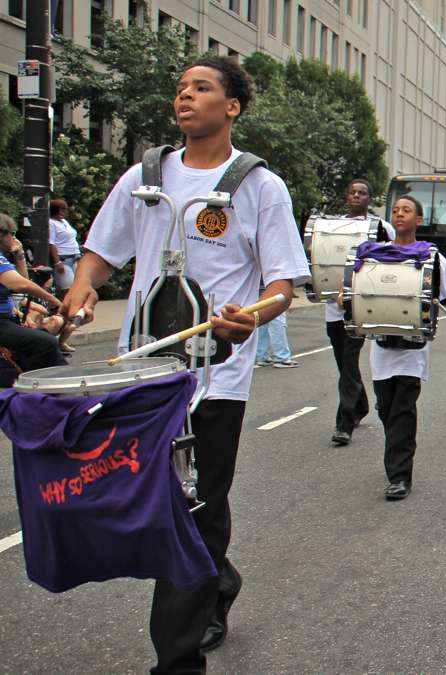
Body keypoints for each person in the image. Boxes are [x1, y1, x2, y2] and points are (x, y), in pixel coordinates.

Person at [61, 55, 309, 672]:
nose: (185, 97)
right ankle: (216, 582)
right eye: (180, 89)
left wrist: (251, 315)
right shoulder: (145, 176)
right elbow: (101, 251)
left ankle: (176, 658)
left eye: (201, 88)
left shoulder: (258, 185)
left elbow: (283, 284)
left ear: (232, 107)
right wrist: (83, 285)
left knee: (197, 505)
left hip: (215, 376)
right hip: (144, 371)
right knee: (161, 501)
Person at [368, 195, 446, 501]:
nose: (399, 215)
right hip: (382, 349)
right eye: (395, 211)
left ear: (418, 220)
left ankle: (399, 477)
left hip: (413, 350)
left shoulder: (430, 257)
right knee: (386, 409)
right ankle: (397, 456)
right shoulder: (376, 255)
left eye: (406, 210)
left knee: (402, 412)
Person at [326, 179, 392, 446]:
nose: (356, 195)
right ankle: (361, 404)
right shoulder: (333, 227)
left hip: (360, 307)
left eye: (362, 193)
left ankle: (344, 423)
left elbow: (392, 258)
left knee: (349, 361)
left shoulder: (380, 228)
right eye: (352, 192)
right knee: (343, 364)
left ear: (369, 199)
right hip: (333, 308)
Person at [0, 214, 68, 372]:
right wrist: (56, 301)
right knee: (46, 342)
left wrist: (19, 255)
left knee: (42, 336)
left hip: (7, 319)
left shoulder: (3, 258)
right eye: (13, 233)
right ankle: (56, 386)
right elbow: (20, 284)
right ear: (3, 234)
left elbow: (21, 284)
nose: (15, 238)